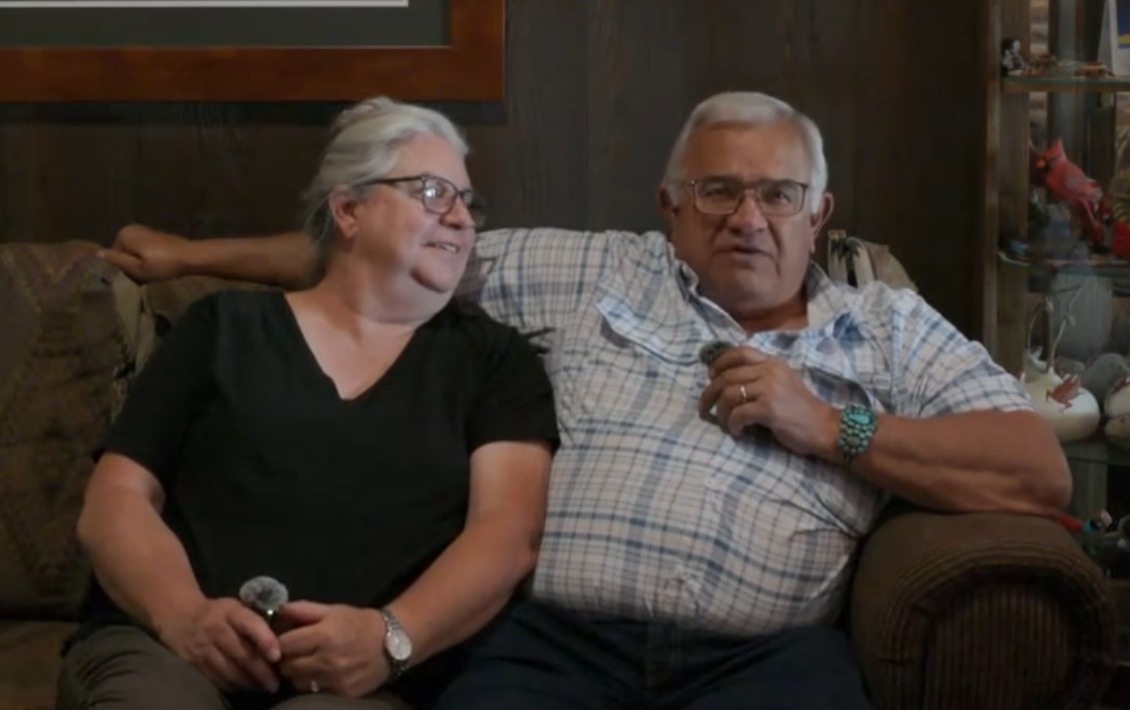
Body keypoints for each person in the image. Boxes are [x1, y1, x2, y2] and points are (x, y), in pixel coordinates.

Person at [98, 91, 1071, 710]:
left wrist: (829, 425)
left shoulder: (882, 323)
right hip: (552, 647)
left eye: (777, 194)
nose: (746, 217)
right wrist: (189, 256)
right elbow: (386, 251)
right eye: (716, 190)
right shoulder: (590, 268)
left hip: (762, 658)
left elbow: (1035, 470)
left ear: (818, 213)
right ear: (667, 203)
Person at [59, 97, 559, 710]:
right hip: (166, 647)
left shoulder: (494, 361)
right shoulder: (222, 328)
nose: (461, 220)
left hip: (362, 682)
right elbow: (115, 501)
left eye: (468, 202)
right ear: (349, 209)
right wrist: (184, 616)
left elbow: (505, 536)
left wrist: (390, 637)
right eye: (433, 193)